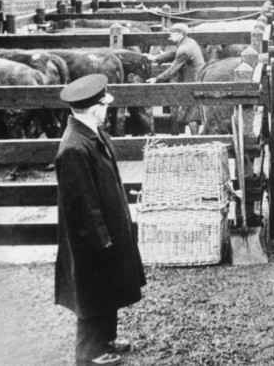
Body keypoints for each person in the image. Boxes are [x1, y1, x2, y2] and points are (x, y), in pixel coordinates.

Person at [55, 74, 146, 366]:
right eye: (104, 104)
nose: (107, 108)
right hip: (92, 239)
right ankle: (89, 353)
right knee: (93, 293)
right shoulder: (74, 148)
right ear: (94, 108)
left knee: (108, 287)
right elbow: (82, 205)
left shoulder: (92, 135)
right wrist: (101, 239)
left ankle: (107, 338)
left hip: (108, 229)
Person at [144, 22, 205, 134]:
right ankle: (195, 138)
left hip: (193, 82)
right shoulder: (189, 42)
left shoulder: (184, 49)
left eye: (173, 32)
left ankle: (195, 139)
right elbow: (174, 52)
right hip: (196, 79)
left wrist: (157, 79)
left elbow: (173, 69)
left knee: (190, 114)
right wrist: (156, 58)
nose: (170, 35)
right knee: (191, 112)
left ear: (180, 34)